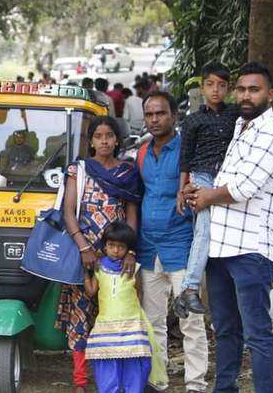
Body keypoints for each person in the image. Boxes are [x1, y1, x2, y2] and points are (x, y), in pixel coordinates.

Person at [183, 62, 273, 393]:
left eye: (254, 89)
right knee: (226, 329)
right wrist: (197, 191)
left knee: (257, 333)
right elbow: (224, 180)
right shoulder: (241, 126)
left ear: (270, 94)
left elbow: (244, 188)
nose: (246, 95)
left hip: (250, 252)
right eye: (242, 89)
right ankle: (225, 389)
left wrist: (206, 197)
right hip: (220, 248)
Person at [56, 116, 142, 393]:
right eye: (98, 136)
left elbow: (131, 214)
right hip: (85, 256)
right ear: (90, 141)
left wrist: (129, 251)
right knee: (81, 316)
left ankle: (115, 379)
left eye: (109, 135)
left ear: (117, 140)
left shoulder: (127, 173)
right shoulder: (78, 170)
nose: (104, 141)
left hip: (116, 258)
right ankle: (81, 382)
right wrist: (84, 248)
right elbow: (68, 211)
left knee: (114, 316)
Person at [137, 91, 208, 393]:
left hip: (181, 246)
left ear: (173, 116)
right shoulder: (141, 152)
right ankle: (158, 380)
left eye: (160, 113)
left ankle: (195, 384)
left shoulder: (187, 151)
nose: (154, 120)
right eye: (149, 114)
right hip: (148, 247)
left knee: (190, 320)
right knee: (153, 321)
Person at [173, 62, 238, 318]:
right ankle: (189, 288)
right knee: (204, 232)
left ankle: (185, 294)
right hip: (201, 179)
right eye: (210, 84)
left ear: (228, 89)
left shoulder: (235, 114)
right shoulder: (193, 120)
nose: (215, 90)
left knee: (210, 234)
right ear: (202, 87)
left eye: (222, 85)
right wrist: (181, 190)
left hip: (226, 179)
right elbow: (185, 158)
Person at [84, 221, 167, 393]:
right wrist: (87, 272)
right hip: (106, 326)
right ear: (105, 246)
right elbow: (91, 291)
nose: (115, 250)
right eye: (111, 245)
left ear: (128, 248)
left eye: (120, 247)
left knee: (135, 362)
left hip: (132, 325)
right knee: (107, 364)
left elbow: (139, 294)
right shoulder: (99, 267)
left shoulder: (133, 268)